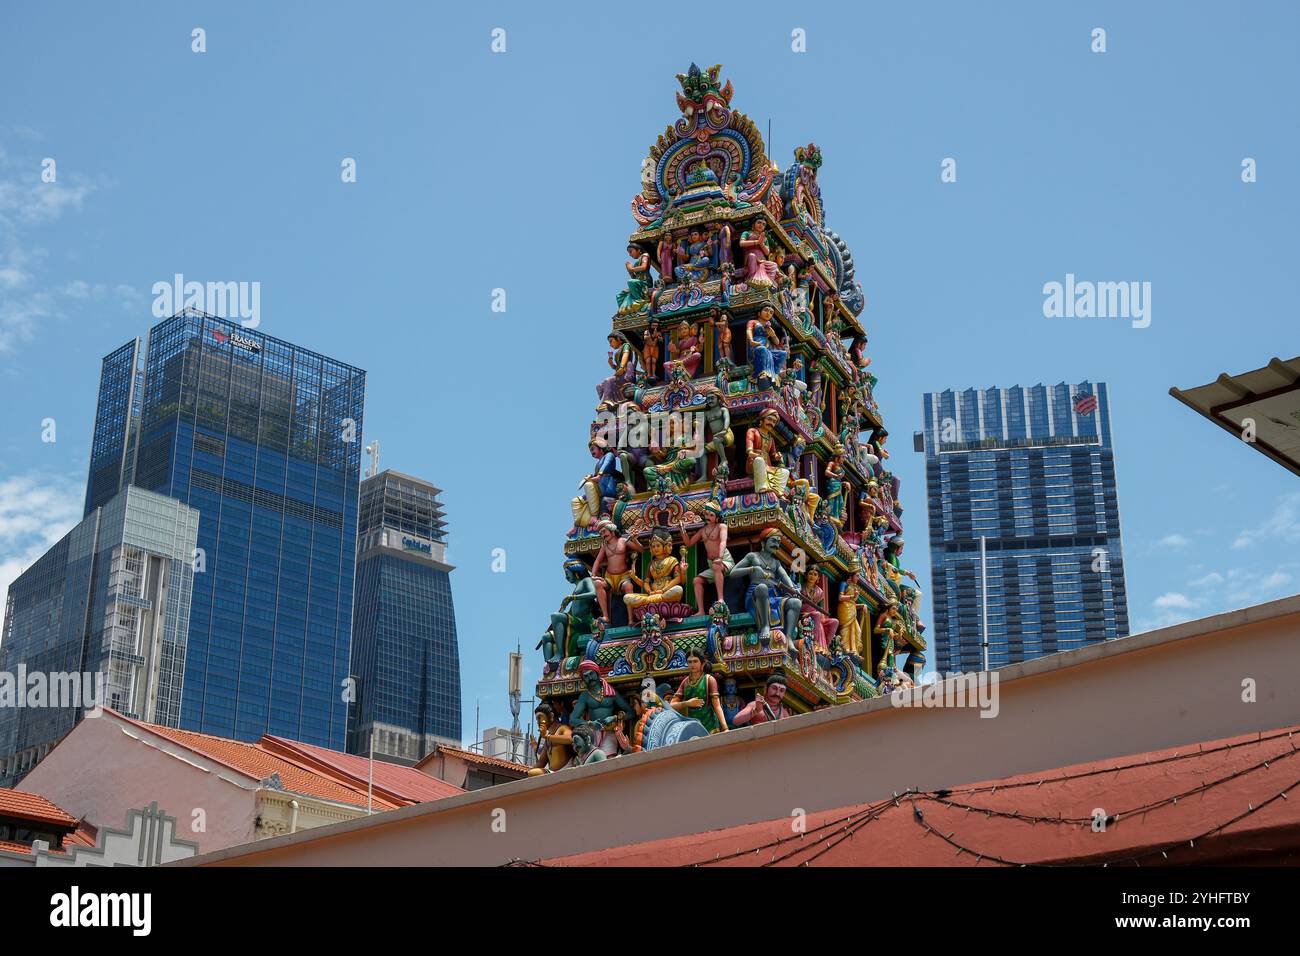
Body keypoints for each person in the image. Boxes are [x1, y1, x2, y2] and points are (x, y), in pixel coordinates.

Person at [670, 648, 728, 734]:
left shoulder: (709, 680)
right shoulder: (685, 682)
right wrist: (687, 703)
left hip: (710, 726)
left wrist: (725, 728)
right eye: (689, 662)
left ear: (703, 663)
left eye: (695, 661)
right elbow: (671, 705)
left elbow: (717, 706)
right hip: (692, 727)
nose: (692, 664)